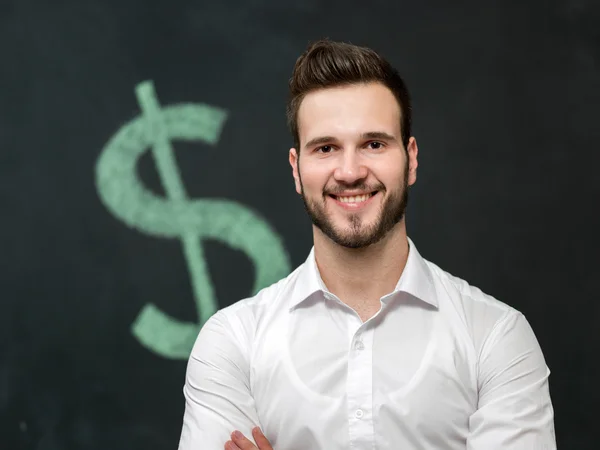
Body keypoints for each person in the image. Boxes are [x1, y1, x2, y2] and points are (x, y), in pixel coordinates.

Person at [177, 39, 556, 450]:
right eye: (326, 148)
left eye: (374, 144)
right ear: (296, 170)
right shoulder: (233, 342)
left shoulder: (496, 337)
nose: (350, 171)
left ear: (410, 159)